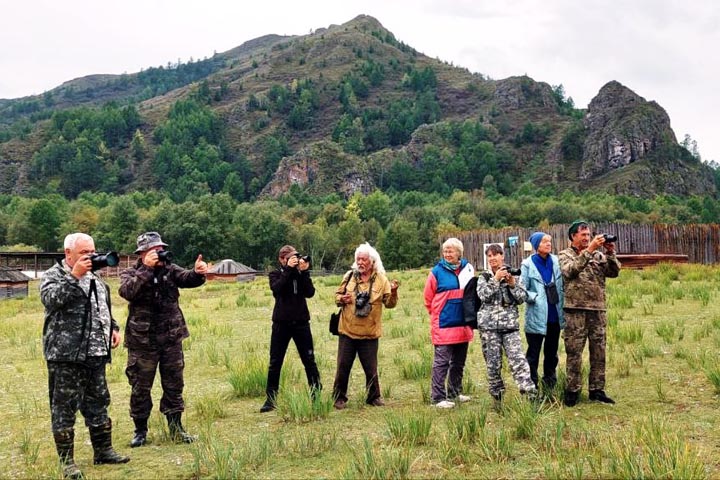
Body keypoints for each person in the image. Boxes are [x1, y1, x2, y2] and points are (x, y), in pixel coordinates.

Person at [40, 233, 129, 479]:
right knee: (64, 409)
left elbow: (101, 309)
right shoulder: (54, 276)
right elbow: (50, 300)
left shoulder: (97, 279)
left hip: (96, 354)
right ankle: (67, 462)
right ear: (68, 253)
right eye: (84, 253)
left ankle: (103, 451)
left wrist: (113, 328)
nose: (90, 256)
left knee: (99, 403)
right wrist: (74, 276)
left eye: (92, 251)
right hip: (66, 356)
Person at [119, 232, 207, 447]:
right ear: (141, 253)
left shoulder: (169, 268)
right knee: (140, 387)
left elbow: (186, 279)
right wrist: (147, 270)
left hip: (170, 338)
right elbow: (127, 291)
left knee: (174, 385)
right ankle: (140, 431)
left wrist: (197, 273)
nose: (158, 253)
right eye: (153, 250)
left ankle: (176, 428)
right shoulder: (132, 272)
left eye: (159, 249)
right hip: (143, 341)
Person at [559, 221, 621, 407]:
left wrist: (610, 252)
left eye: (588, 235)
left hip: (597, 310)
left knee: (599, 351)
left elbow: (614, 272)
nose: (587, 238)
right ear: (573, 237)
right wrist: (589, 250)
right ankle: (572, 390)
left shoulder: (598, 255)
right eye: (583, 235)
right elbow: (570, 271)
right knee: (574, 352)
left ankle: (597, 389)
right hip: (575, 310)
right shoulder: (564, 255)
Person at [332, 243, 399, 410]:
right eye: (358, 259)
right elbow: (337, 296)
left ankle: (374, 397)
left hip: (369, 332)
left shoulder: (381, 279)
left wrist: (394, 291)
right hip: (347, 330)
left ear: (372, 262)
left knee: (371, 368)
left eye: (364, 259)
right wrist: (342, 299)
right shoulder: (349, 276)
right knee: (343, 366)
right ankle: (338, 398)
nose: (360, 262)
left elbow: (390, 304)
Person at [260, 245, 321, 412]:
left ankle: (316, 396)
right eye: (290, 257)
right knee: (275, 362)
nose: (295, 260)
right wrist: (288, 270)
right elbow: (277, 289)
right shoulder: (276, 274)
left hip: (301, 323)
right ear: (282, 259)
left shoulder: (299, 274)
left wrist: (304, 272)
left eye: (296, 257)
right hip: (281, 324)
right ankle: (270, 399)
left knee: (309, 360)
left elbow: (310, 293)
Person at [476, 243, 537, 405]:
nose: (493, 258)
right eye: (489, 255)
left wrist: (511, 284)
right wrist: (496, 280)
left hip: (510, 328)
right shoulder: (484, 277)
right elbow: (483, 296)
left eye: (496, 255)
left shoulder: (514, 275)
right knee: (493, 364)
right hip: (489, 329)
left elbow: (522, 298)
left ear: (502, 256)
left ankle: (530, 394)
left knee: (518, 361)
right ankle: (497, 397)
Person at [423, 238, 475, 409]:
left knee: (459, 361)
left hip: (463, 322)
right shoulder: (436, 272)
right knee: (442, 362)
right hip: (444, 324)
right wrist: (439, 313)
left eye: (450, 251)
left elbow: (473, 293)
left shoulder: (468, 269)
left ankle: (454, 392)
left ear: (459, 252)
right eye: (445, 251)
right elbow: (428, 299)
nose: (447, 254)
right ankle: (437, 397)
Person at [520, 232, 565, 392]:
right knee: (533, 353)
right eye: (545, 241)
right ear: (536, 245)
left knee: (552, 353)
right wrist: (536, 297)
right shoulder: (527, 264)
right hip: (536, 316)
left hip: (554, 315)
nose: (548, 244)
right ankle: (531, 385)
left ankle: (550, 383)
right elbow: (521, 289)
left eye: (549, 241)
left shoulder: (556, 261)